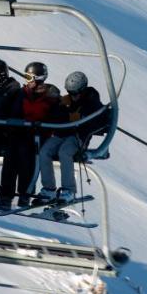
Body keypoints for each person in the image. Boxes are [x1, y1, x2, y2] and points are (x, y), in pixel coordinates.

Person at [36, 70, 105, 203]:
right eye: (69, 92)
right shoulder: (66, 101)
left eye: (75, 93)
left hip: (79, 137)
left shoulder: (92, 101)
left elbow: (97, 120)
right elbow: (56, 116)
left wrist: (81, 118)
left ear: (83, 90)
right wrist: (62, 111)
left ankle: (69, 190)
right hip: (62, 133)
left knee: (65, 152)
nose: (72, 96)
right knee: (44, 151)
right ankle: (49, 189)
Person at [15, 61, 60, 206]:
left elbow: (56, 115)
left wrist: (43, 124)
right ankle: (23, 192)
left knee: (35, 158)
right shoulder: (23, 93)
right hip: (25, 133)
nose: (26, 81)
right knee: (21, 156)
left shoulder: (50, 95)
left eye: (29, 77)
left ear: (38, 78)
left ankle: (27, 193)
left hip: (42, 135)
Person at [0, 59, 25, 210]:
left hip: (9, 134)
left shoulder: (15, 91)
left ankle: (6, 196)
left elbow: (15, 112)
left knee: (11, 156)